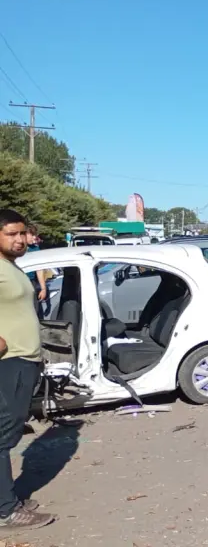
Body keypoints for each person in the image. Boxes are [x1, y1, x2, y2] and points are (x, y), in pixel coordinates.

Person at [0, 209, 55, 529]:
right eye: (12, 234)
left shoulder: (11, 266)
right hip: (10, 362)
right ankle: (6, 510)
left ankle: (7, 496)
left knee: (8, 433)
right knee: (3, 435)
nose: (21, 239)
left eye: (23, 233)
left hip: (23, 361)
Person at [25, 226, 49, 319]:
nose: (34, 237)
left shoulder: (35, 249)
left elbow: (39, 270)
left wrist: (43, 289)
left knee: (34, 309)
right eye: (32, 235)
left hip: (31, 282)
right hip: (17, 281)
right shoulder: (15, 249)